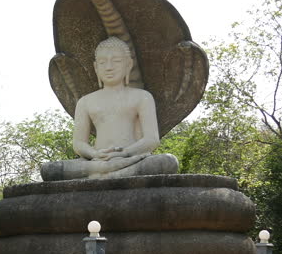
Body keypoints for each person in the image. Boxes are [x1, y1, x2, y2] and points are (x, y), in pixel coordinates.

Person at [40, 37, 179, 181]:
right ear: (95, 67)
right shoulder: (85, 102)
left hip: (132, 158)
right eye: (102, 62)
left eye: (116, 61)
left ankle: (101, 176)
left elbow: (152, 139)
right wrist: (94, 154)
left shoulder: (142, 97)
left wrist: (124, 153)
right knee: (49, 170)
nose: (109, 67)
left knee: (166, 162)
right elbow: (79, 143)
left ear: (128, 65)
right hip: (96, 161)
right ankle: (112, 173)